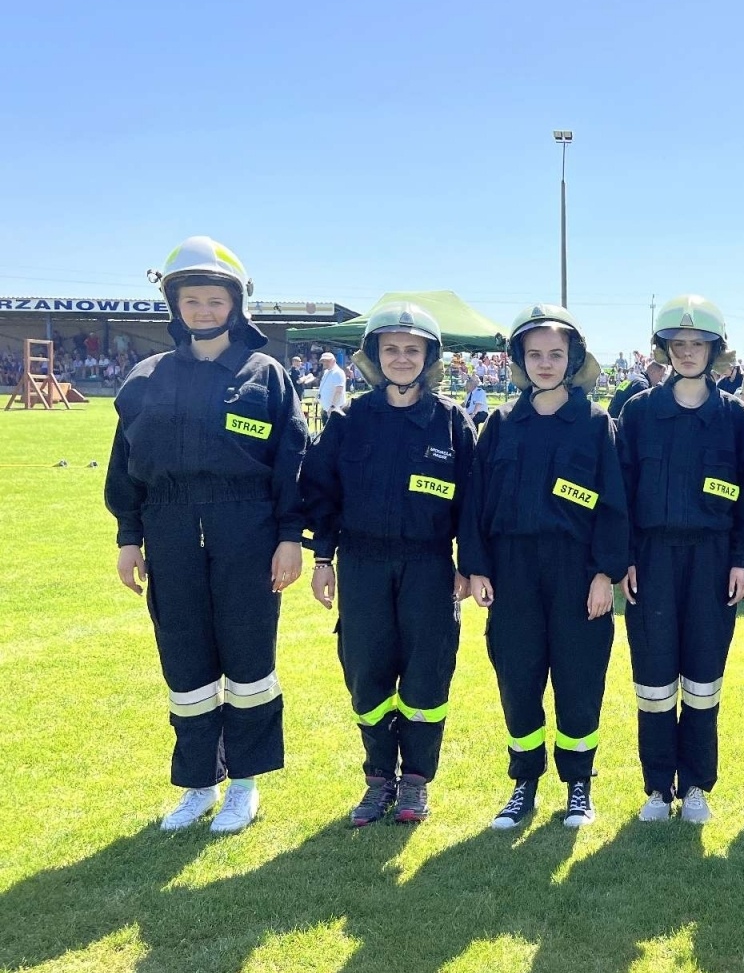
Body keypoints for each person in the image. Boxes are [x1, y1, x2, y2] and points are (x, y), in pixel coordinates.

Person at [105, 237, 307, 833]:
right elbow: (125, 465)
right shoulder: (145, 378)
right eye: (191, 300)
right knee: (185, 659)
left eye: (215, 300)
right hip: (168, 531)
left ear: (236, 305)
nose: (203, 310)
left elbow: (292, 461)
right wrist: (129, 536)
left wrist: (290, 535)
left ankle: (244, 784)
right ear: (175, 305)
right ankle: (198, 783)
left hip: (246, 529)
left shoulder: (265, 375)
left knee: (248, 658)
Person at [301, 303, 475, 826]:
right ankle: (379, 779)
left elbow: (475, 502)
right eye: (391, 349)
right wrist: (323, 558)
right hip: (362, 564)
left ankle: (416, 782)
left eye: (412, 349)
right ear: (374, 356)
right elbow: (320, 493)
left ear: (428, 357)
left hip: (429, 566)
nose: (401, 358)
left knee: (427, 674)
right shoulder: (348, 421)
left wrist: (468, 564)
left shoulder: (451, 423)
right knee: (365, 671)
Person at [460, 305, 625, 830]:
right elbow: (476, 501)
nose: (546, 363)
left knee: (579, 679)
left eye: (556, 354)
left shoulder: (596, 424)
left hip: (576, 571)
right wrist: (477, 567)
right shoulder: (501, 424)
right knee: (518, 677)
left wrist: (604, 573)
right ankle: (524, 782)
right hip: (513, 570)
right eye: (535, 355)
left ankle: (578, 784)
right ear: (520, 360)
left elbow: (613, 504)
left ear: (572, 359)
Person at [618, 295, 744, 824]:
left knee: (703, 679)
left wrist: (741, 560)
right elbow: (619, 494)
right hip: (651, 559)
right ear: (664, 349)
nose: (686, 352)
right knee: (654, 680)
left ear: (714, 350)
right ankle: (658, 788)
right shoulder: (638, 413)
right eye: (677, 344)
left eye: (697, 344)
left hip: (713, 560)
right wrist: (625, 557)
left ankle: (697, 784)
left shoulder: (734, 417)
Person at [318, 351, 347, 418]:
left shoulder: (338, 372)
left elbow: (339, 391)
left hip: (335, 410)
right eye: (323, 361)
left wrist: (333, 407)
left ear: (334, 361)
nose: (325, 363)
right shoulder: (326, 372)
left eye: (327, 361)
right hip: (326, 409)